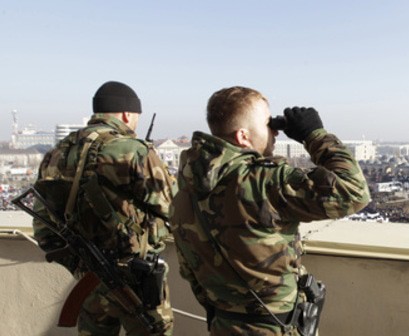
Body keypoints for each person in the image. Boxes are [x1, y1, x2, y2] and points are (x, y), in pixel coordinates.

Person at [170, 86, 370, 335]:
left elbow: (189, 270)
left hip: (224, 325)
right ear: (243, 137)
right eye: (269, 124)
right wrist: (314, 134)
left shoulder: (184, 191)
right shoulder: (264, 181)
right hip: (276, 327)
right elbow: (354, 192)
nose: (275, 131)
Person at [31, 81, 177, 335]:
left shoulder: (57, 152)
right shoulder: (134, 151)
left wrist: (78, 263)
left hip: (89, 278)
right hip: (137, 277)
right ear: (126, 115)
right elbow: (173, 210)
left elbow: (42, 223)